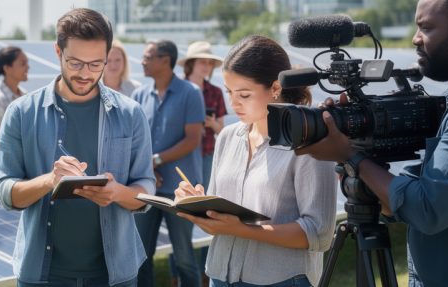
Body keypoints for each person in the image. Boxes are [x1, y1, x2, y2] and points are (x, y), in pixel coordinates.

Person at [297, 0, 448, 286]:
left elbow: (427, 210)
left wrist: (353, 158)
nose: (415, 39)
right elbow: (413, 195)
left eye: (426, 28)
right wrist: (358, 144)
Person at [0, 8, 155, 287]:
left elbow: (146, 188)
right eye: (75, 63)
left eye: (96, 64)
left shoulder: (131, 113)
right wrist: (50, 181)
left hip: (115, 276)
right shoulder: (20, 112)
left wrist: (118, 193)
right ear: (58, 52)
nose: (86, 74)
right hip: (41, 276)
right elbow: (6, 193)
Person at [176, 35, 337, 287]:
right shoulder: (228, 137)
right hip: (220, 275)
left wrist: (240, 230)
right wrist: (197, 203)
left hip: (280, 280)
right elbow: (220, 221)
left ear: (275, 88)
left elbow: (319, 232)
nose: (233, 103)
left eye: (244, 94)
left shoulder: (310, 143)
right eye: (229, 92)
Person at [133, 40, 206, 287]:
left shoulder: (191, 93)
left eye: (147, 57)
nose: (142, 61)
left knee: (184, 258)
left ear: (165, 60)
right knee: (141, 257)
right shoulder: (139, 96)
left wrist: (156, 161)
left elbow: (192, 140)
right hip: (147, 189)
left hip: (180, 192)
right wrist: (148, 168)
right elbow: (136, 141)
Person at [178, 41, 227, 190]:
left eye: (210, 63)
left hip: (207, 154)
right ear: (191, 63)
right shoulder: (177, 89)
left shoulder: (216, 92)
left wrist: (211, 123)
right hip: (181, 154)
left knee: (204, 197)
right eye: (202, 62)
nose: (207, 66)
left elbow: (221, 130)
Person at [0, 45, 29, 161]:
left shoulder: (26, 97)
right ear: (7, 68)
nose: (28, 67)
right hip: (4, 169)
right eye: (23, 63)